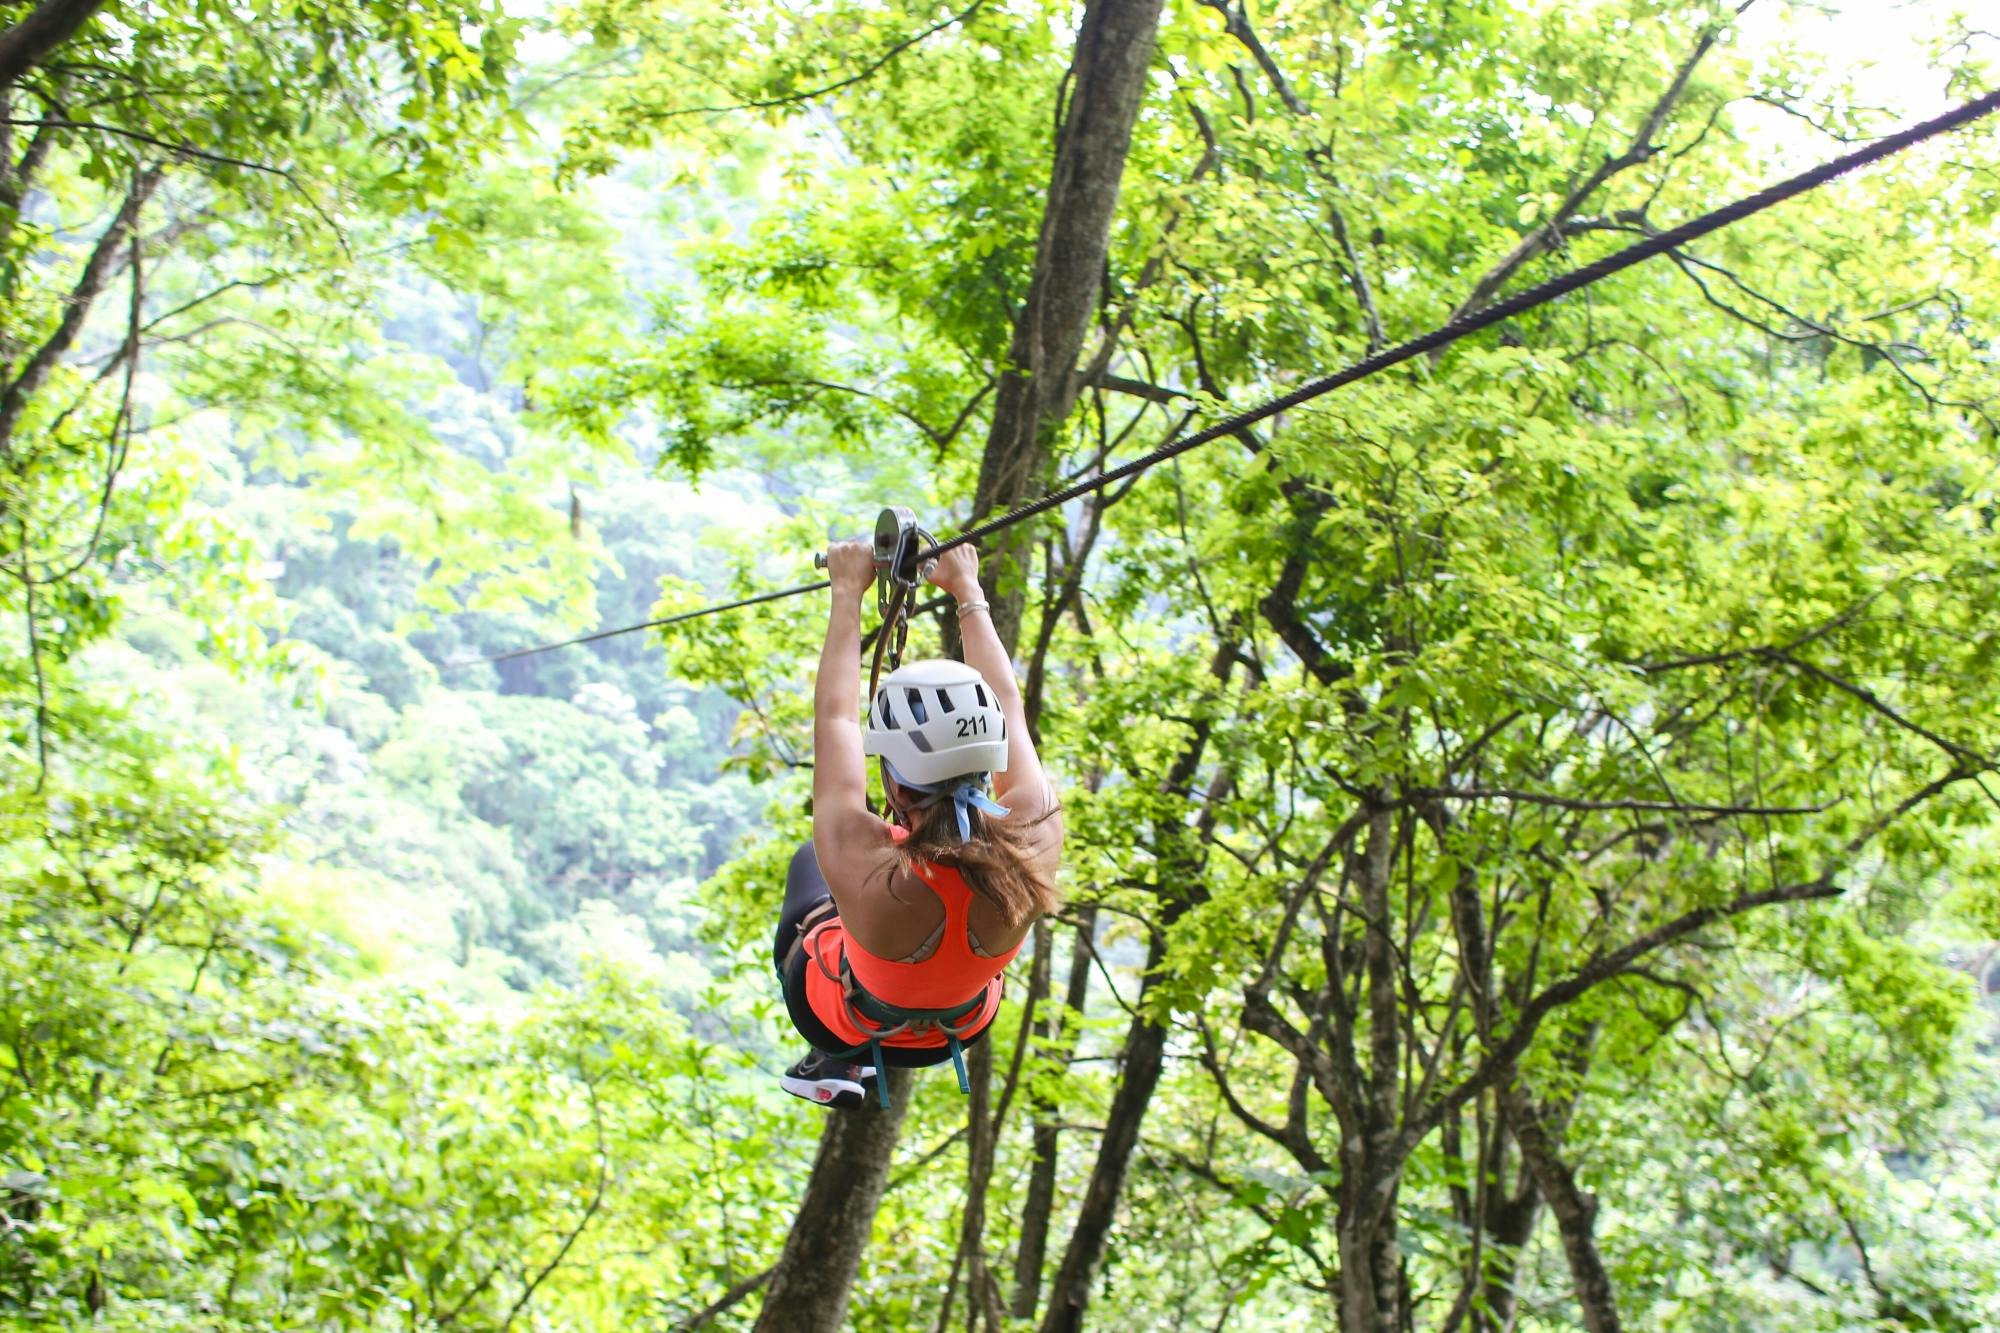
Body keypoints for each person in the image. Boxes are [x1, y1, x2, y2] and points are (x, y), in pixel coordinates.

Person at [771, 540, 1063, 1108]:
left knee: (810, 869)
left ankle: (837, 1058)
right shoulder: (1035, 835)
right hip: (961, 1029)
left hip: (839, 1021)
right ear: (990, 757)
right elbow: (1008, 701)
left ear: (895, 785)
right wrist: (968, 593)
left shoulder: (859, 858)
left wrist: (847, 589)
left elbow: (836, 718)